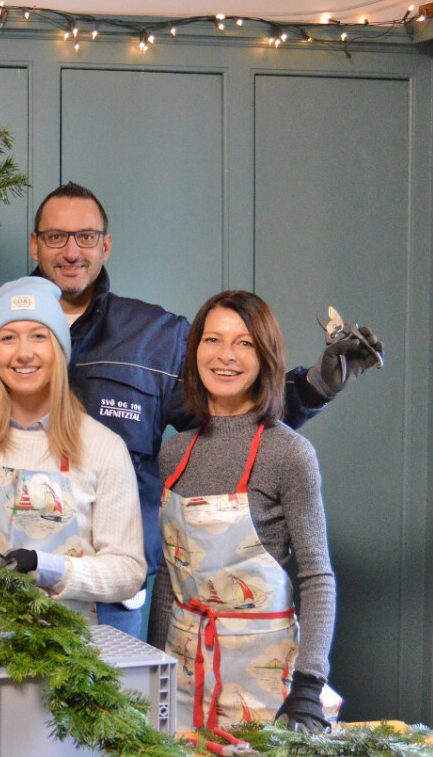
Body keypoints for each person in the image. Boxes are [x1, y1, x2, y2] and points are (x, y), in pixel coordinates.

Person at [0, 181, 380, 635]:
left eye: (85, 236)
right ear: (34, 244)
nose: (71, 251)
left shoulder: (155, 336)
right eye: (56, 237)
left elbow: (233, 420)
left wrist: (310, 389)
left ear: (105, 244)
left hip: (109, 599)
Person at [147, 290, 335, 732]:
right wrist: (153, 671)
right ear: (194, 353)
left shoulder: (289, 453)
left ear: (266, 356)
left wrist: (308, 684)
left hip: (265, 685)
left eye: (244, 343)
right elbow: (169, 582)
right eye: (212, 340)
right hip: (182, 682)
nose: (225, 356)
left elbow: (316, 575)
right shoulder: (175, 454)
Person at [0, 277, 144, 631]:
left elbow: (127, 569)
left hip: (71, 656)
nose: (24, 353)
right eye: (8, 338)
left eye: (39, 336)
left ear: (59, 349)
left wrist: (48, 567)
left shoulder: (103, 447)